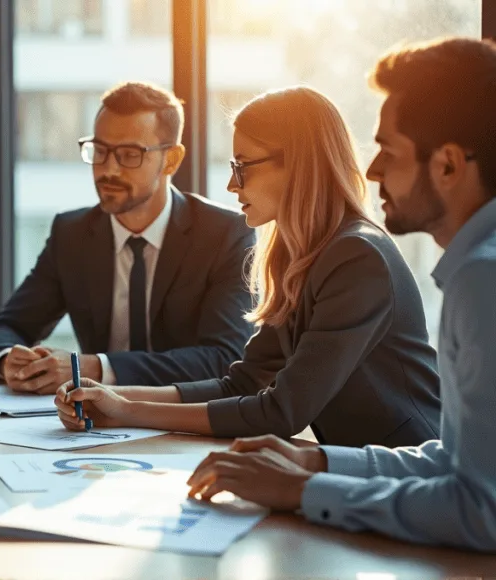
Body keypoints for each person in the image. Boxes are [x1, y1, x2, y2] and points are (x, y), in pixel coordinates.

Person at [187, 37, 496, 551]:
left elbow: (483, 510)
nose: (371, 170)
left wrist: (305, 489)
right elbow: (454, 461)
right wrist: (316, 461)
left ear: (447, 166)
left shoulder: (481, 279)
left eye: (388, 151)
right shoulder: (471, 269)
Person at [57, 86, 441, 448]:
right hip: (357, 474)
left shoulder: (358, 257)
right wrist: (109, 396)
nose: (230, 185)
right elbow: (241, 383)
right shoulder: (300, 256)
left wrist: (128, 412)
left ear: (297, 166)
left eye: (242, 167)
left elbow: (281, 411)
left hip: (409, 479)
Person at [0, 81, 255, 394]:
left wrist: (95, 367)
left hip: (186, 422)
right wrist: (8, 360)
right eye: (100, 151)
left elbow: (224, 358)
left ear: (172, 160)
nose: (108, 169)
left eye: (129, 154)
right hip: (90, 424)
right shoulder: (73, 234)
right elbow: (7, 327)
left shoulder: (224, 235)